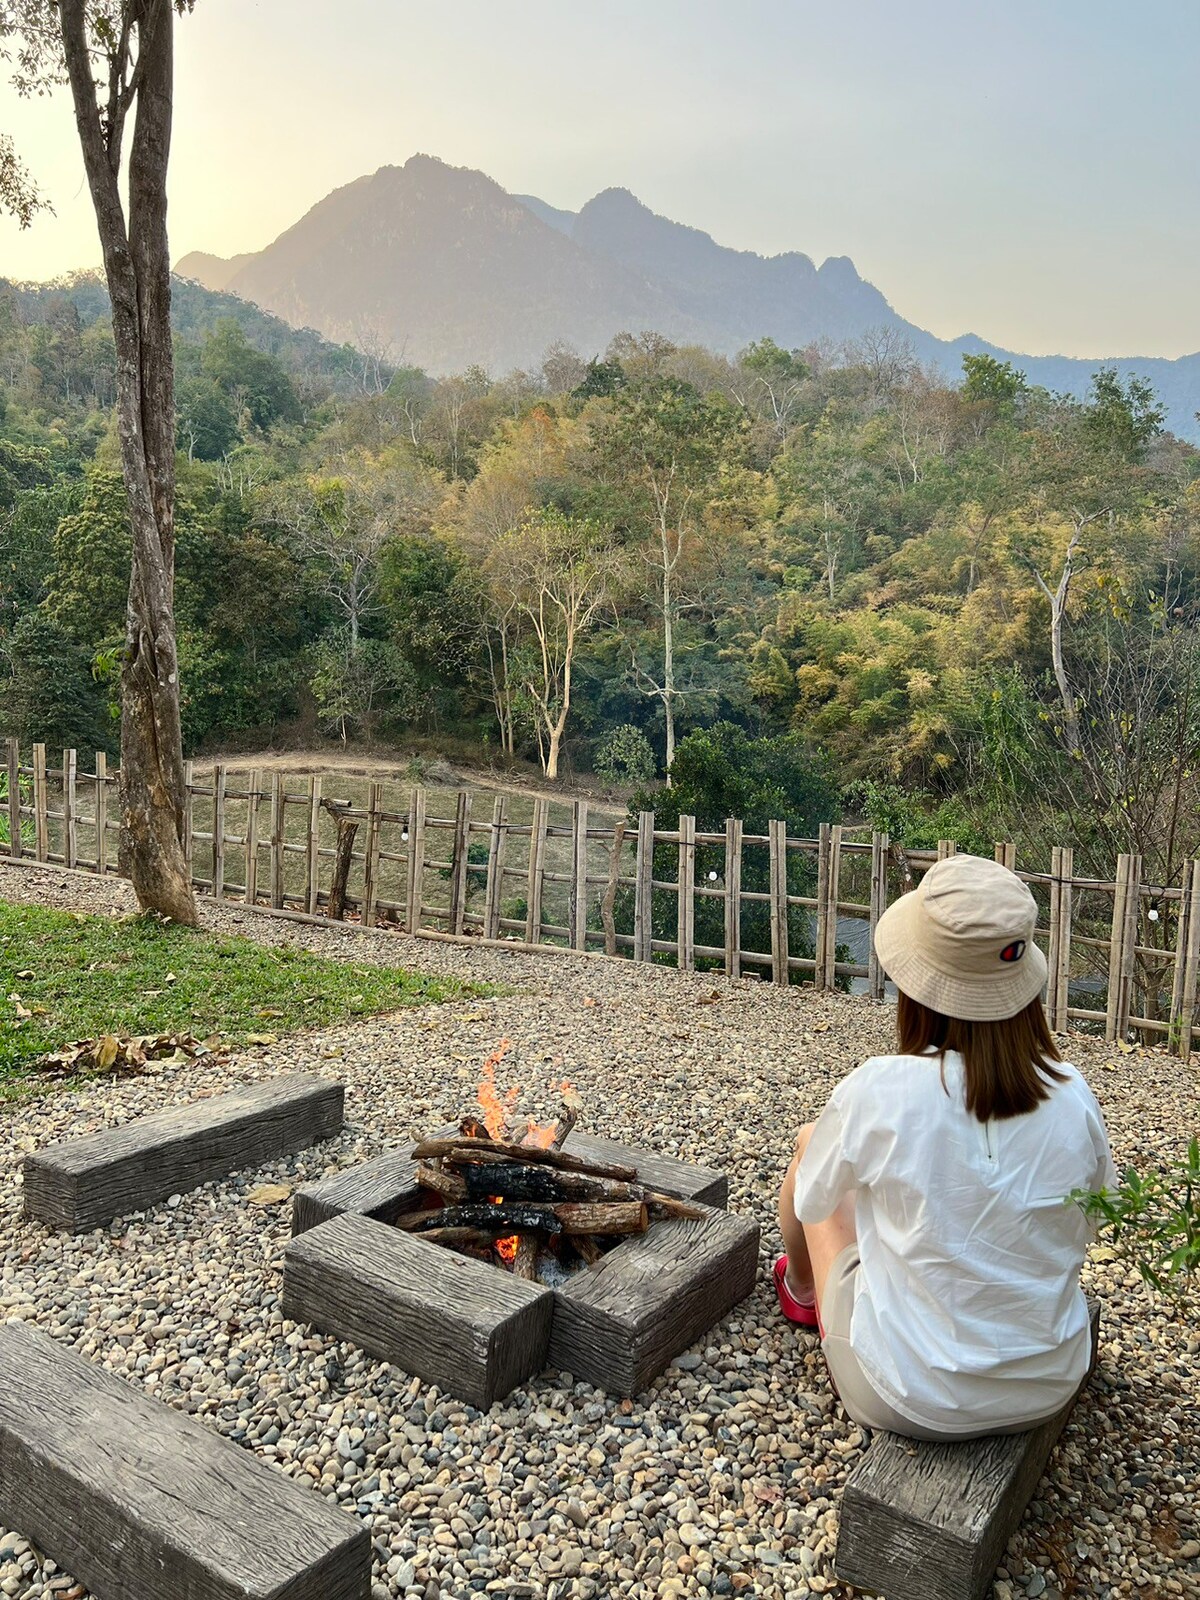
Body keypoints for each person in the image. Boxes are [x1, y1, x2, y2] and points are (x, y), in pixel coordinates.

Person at [775, 854, 1117, 1441]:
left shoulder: (880, 1088)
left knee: (814, 1150)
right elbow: (1091, 1219)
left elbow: (812, 1204)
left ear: (918, 986)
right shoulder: (1073, 1094)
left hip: (912, 1396)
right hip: (1049, 1380)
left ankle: (802, 1291)